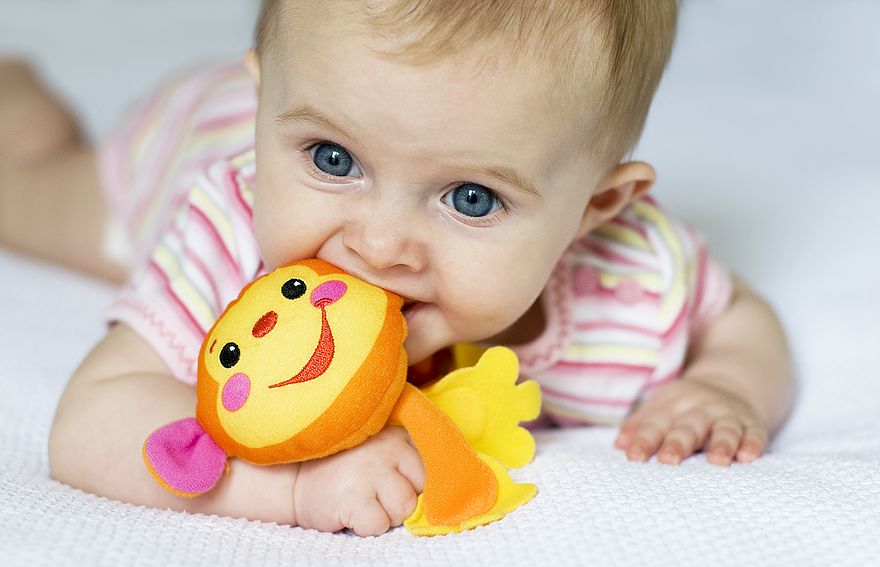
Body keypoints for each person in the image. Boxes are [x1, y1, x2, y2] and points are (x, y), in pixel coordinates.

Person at [0, 0, 793, 536]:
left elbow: (737, 314)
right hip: (179, 145)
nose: (379, 245)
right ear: (269, 103)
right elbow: (91, 422)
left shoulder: (623, 279)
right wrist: (291, 490)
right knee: (25, 194)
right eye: (332, 158)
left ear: (594, 210)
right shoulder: (231, 225)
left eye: (472, 199)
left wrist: (725, 382)